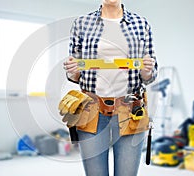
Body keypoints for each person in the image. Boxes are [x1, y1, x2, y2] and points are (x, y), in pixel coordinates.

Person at [62, 0, 158, 175]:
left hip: (131, 111)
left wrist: (147, 70)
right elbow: (74, 74)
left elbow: (149, 76)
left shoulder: (142, 24)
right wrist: (73, 69)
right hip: (91, 110)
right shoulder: (82, 23)